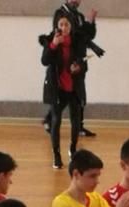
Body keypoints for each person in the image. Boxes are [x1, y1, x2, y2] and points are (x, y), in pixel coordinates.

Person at [42, 1, 102, 138]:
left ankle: (78, 126)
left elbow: (88, 36)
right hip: (63, 62)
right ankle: (50, 120)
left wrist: (91, 22)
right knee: (62, 96)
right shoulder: (60, 13)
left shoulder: (79, 16)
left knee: (79, 94)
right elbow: (63, 33)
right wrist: (81, 31)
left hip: (78, 60)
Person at [41, 14, 88, 170]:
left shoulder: (78, 42)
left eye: (66, 25)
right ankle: (56, 154)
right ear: (57, 26)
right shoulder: (51, 41)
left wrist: (78, 67)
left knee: (75, 121)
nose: (64, 28)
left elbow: (84, 63)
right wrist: (54, 44)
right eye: (61, 25)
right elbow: (45, 61)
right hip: (58, 88)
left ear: (71, 26)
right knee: (56, 121)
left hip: (74, 87)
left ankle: (73, 149)